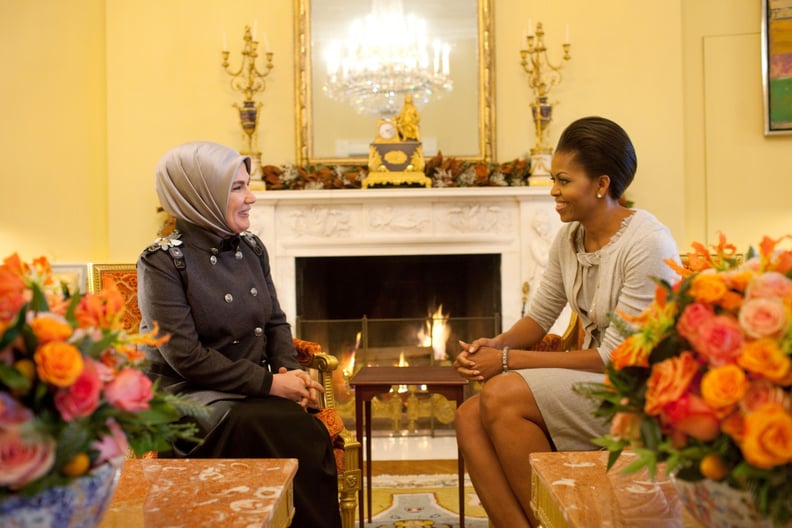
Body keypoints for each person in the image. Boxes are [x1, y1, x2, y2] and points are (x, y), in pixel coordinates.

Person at [453, 116, 680, 528]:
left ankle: (556, 522)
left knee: (502, 394)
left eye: (563, 180)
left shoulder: (648, 242)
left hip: (640, 390)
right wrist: (493, 347)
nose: (553, 191)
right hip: (598, 380)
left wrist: (505, 363)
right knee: (468, 416)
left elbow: (616, 358)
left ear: (601, 184)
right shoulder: (570, 237)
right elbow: (540, 316)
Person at [137, 141, 342, 528]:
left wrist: (285, 372)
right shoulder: (162, 260)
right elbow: (185, 357)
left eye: (247, 185)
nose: (251, 198)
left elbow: (276, 322)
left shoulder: (251, 247)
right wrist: (269, 384)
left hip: (248, 389)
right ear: (200, 193)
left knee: (301, 428)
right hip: (187, 397)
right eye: (236, 188)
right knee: (283, 426)